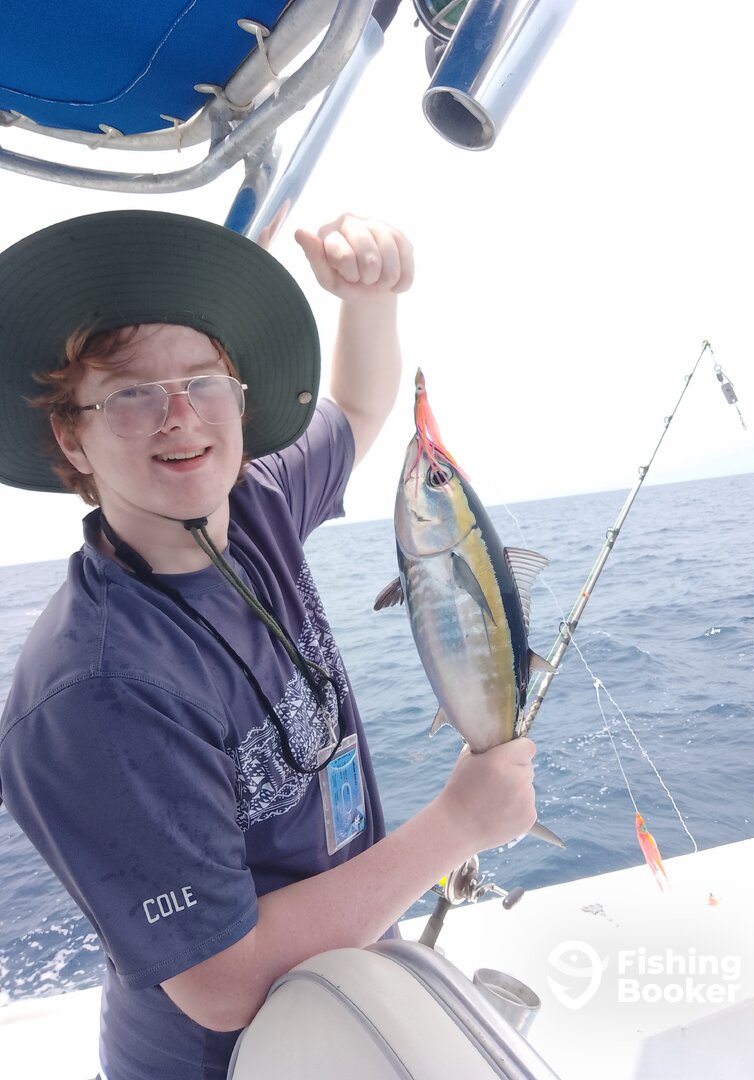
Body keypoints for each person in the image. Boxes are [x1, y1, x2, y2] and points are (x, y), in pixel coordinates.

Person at [0, 209, 538, 1080]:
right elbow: (222, 982)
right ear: (73, 436)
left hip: (350, 973)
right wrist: (457, 827)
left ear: (241, 399)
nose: (180, 416)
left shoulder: (256, 503)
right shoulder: (94, 691)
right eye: (131, 392)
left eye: (204, 380)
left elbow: (361, 407)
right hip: (228, 1060)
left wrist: (370, 303)